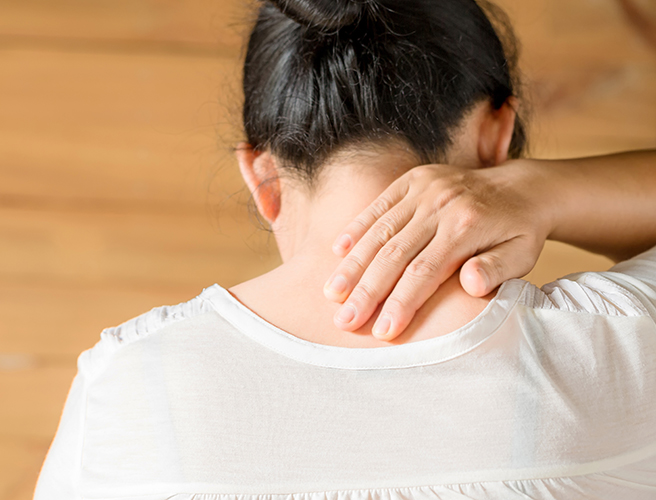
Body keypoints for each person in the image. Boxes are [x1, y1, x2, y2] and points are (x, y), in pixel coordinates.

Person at [34, 0, 656, 497]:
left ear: (264, 179)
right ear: (496, 133)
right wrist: (544, 189)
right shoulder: (612, 350)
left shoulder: (127, 385)